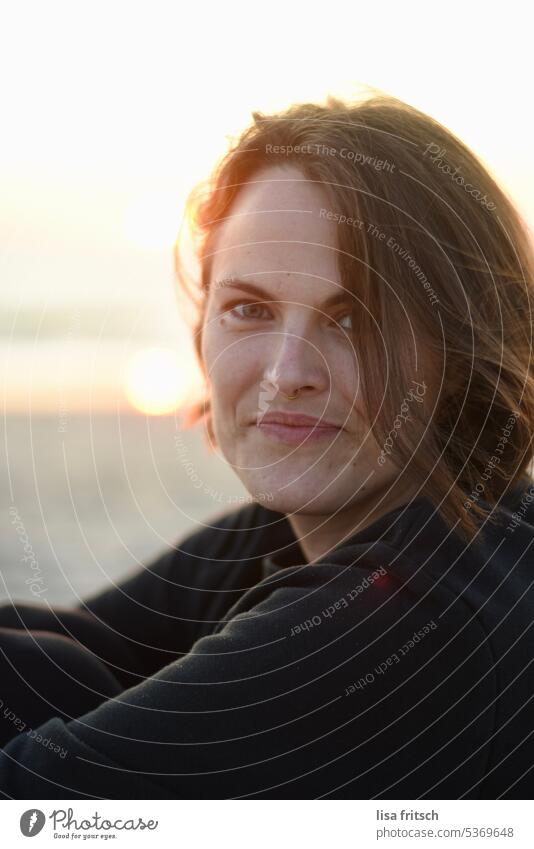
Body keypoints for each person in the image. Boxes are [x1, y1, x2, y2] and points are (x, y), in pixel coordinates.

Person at [1, 92, 534, 799]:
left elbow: (41, 796)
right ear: (201, 332)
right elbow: (55, 652)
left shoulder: (418, 613)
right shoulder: (310, 531)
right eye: (248, 309)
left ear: (462, 351)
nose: (286, 374)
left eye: (355, 319)